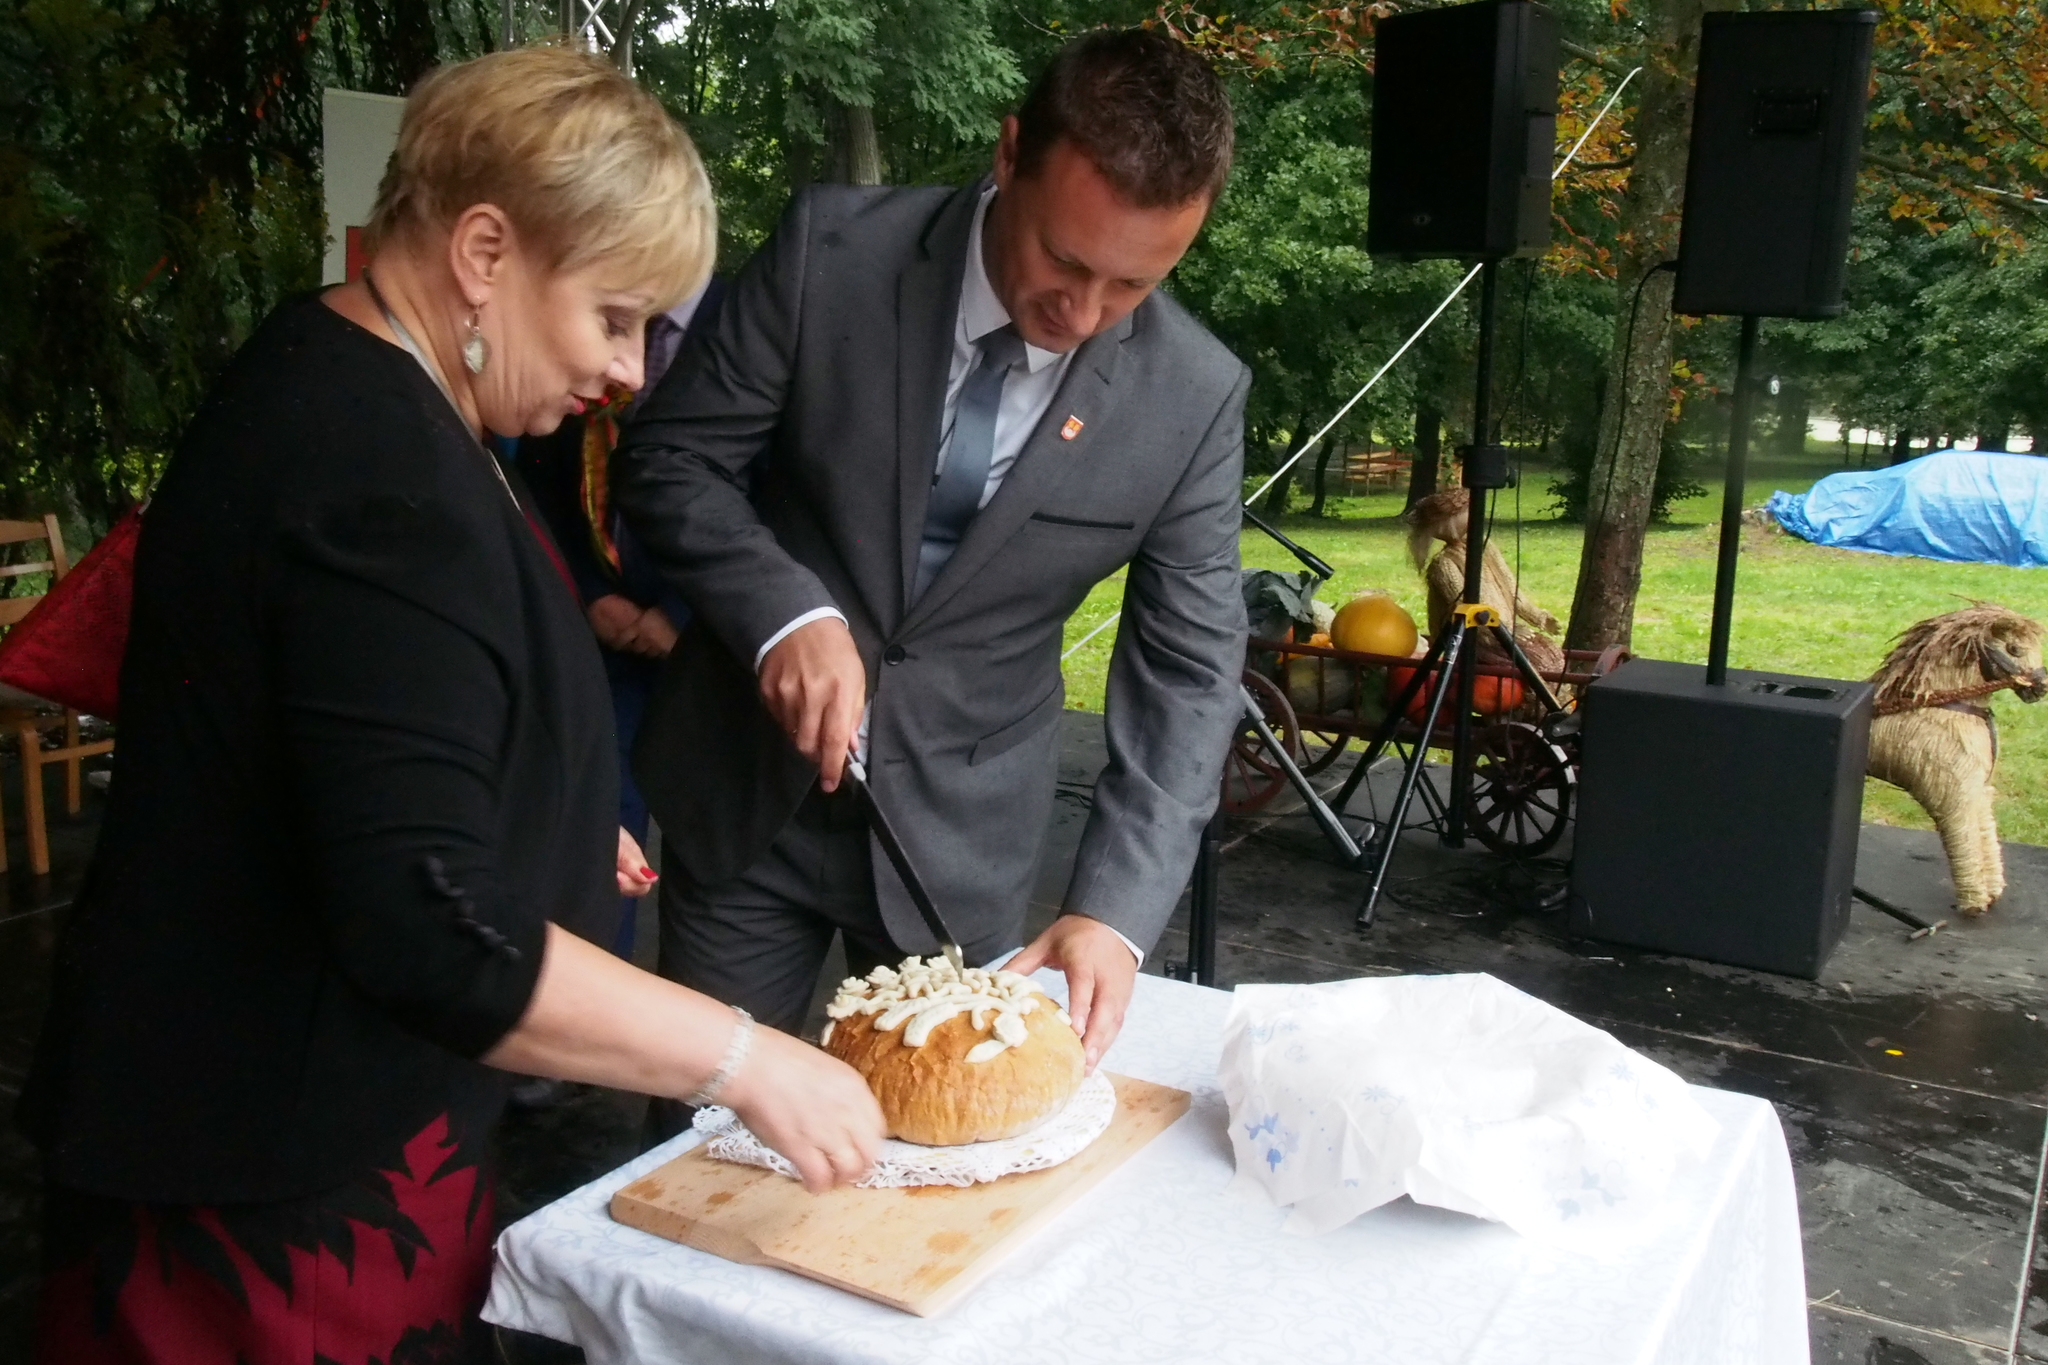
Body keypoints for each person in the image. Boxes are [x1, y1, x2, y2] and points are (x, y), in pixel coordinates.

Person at [21, 48, 881, 1362]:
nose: (629, 371)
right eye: (613, 317)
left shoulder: (373, 380)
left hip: (321, 1117)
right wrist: (747, 1058)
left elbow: (346, 732)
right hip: (274, 1169)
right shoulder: (375, 478)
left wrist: (540, 809)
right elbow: (431, 932)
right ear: (484, 251)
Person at [616, 28, 1249, 1141]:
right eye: (1063, 260)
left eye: (1134, 284)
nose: (1083, 313)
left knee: (952, 1152)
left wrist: (1112, 910)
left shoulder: (1192, 397)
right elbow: (671, 460)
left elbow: (1192, 671)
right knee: (703, 1148)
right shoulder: (827, 254)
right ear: (1008, 155)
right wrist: (782, 611)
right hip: (747, 796)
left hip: (960, 842)